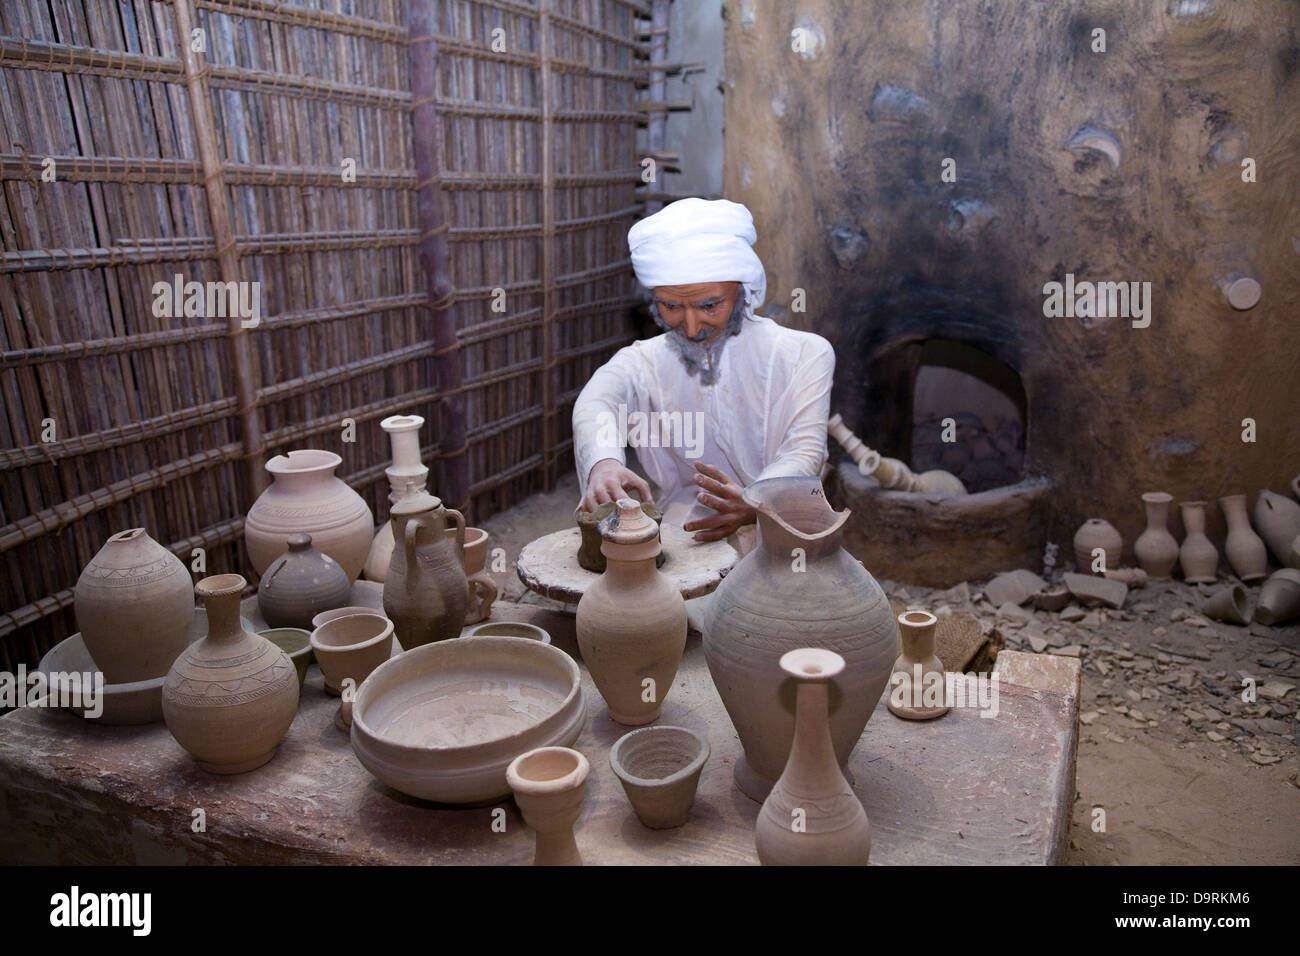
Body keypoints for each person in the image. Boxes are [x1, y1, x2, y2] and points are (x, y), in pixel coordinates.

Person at [571, 198, 835, 544]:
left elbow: (805, 451)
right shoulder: (641, 362)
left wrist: (757, 501)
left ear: (742, 290)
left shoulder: (804, 354)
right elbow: (596, 403)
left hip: (784, 522)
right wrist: (603, 463)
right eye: (671, 306)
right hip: (688, 524)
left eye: (709, 305)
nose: (692, 327)